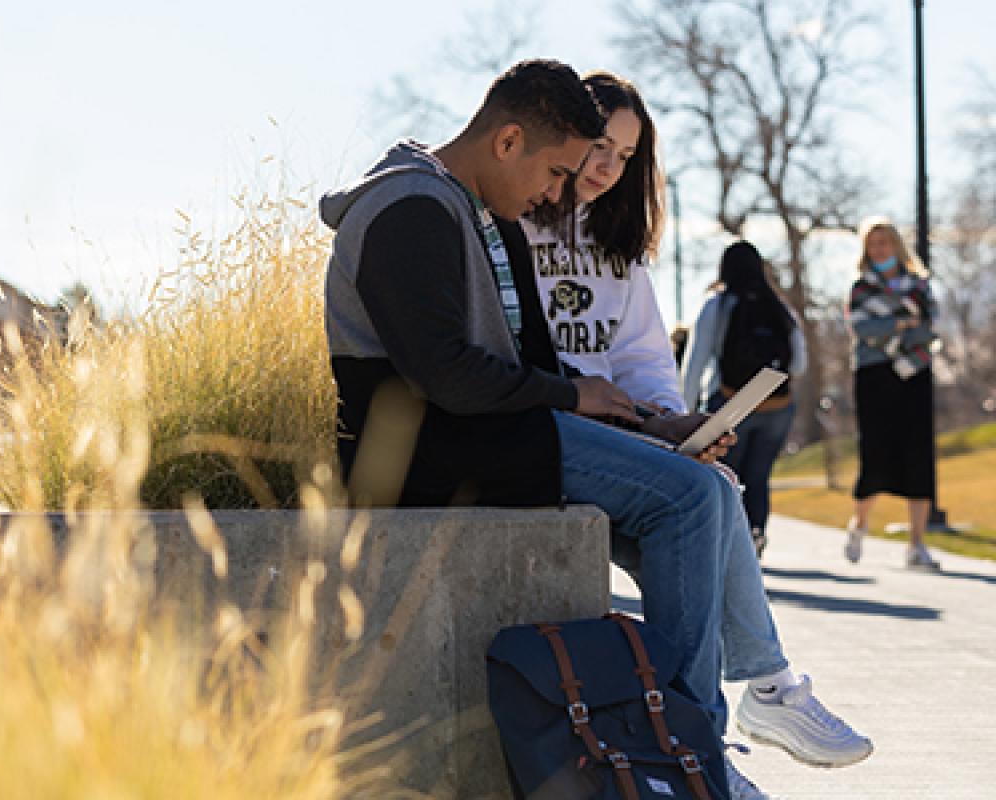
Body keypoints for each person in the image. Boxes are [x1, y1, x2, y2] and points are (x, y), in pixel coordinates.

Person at [321, 60, 870, 800]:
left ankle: (693, 744)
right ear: (508, 141)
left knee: (704, 486)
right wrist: (571, 396)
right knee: (688, 501)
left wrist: (651, 424)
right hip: (432, 450)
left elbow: (538, 365)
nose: (558, 195)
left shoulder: (490, 217)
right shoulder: (409, 209)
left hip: (499, 432)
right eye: (556, 172)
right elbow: (443, 376)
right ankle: (692, 748)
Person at [511, 70, 867, 799]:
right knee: (701, 499)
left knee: (712, 484)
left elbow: (643, 361)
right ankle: (737, 710)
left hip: (621, 432)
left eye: (627, 155)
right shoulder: (517, 222)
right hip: (550, 429)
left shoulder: (618, 251)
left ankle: (718, 729)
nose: (608, 167)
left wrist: (678, 423)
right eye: (600, 147)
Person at [681, 241, 808, 557]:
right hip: (777, 406)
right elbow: (799, 364)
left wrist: (684, 410)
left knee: (725, 475)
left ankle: (728, 540)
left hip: (730, 402)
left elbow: (696, 361)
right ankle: (756, 534)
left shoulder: (718, 305)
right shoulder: (779, 308)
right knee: (759, 474)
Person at [843, 217, 941, 569]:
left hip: (914, 373)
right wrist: (902, 323)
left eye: (885, 242)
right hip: (874, 377)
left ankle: (917, 544)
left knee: (918, 456)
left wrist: (890, 332)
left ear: (897, 245)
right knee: (875, 452)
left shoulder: (919, 285)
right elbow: (861, 329)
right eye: (873, 243)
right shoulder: (860, 288)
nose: (879, 249)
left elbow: (930, 328)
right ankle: (859, 523)